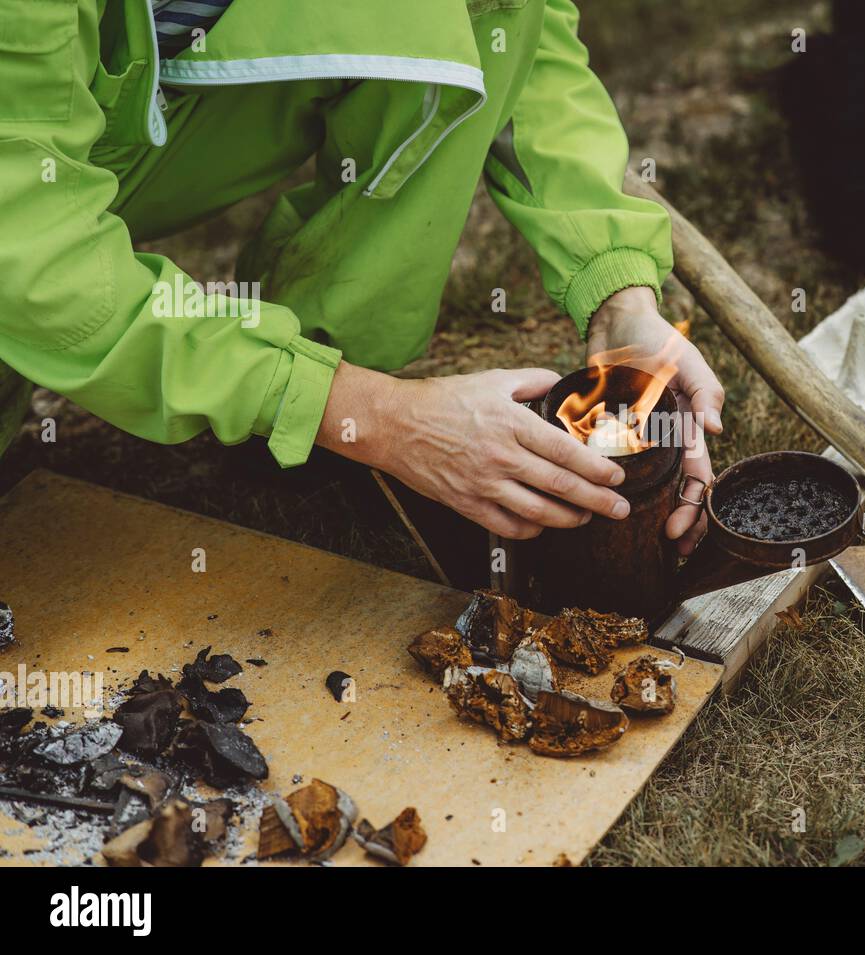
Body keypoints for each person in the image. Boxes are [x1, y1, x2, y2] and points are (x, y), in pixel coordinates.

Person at [0, 0, 723, 554]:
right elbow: (34, 254)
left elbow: (512, 31)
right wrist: (385, 418)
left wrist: (617, 293)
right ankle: (337, 412)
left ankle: (310, 422)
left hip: (131, 115)